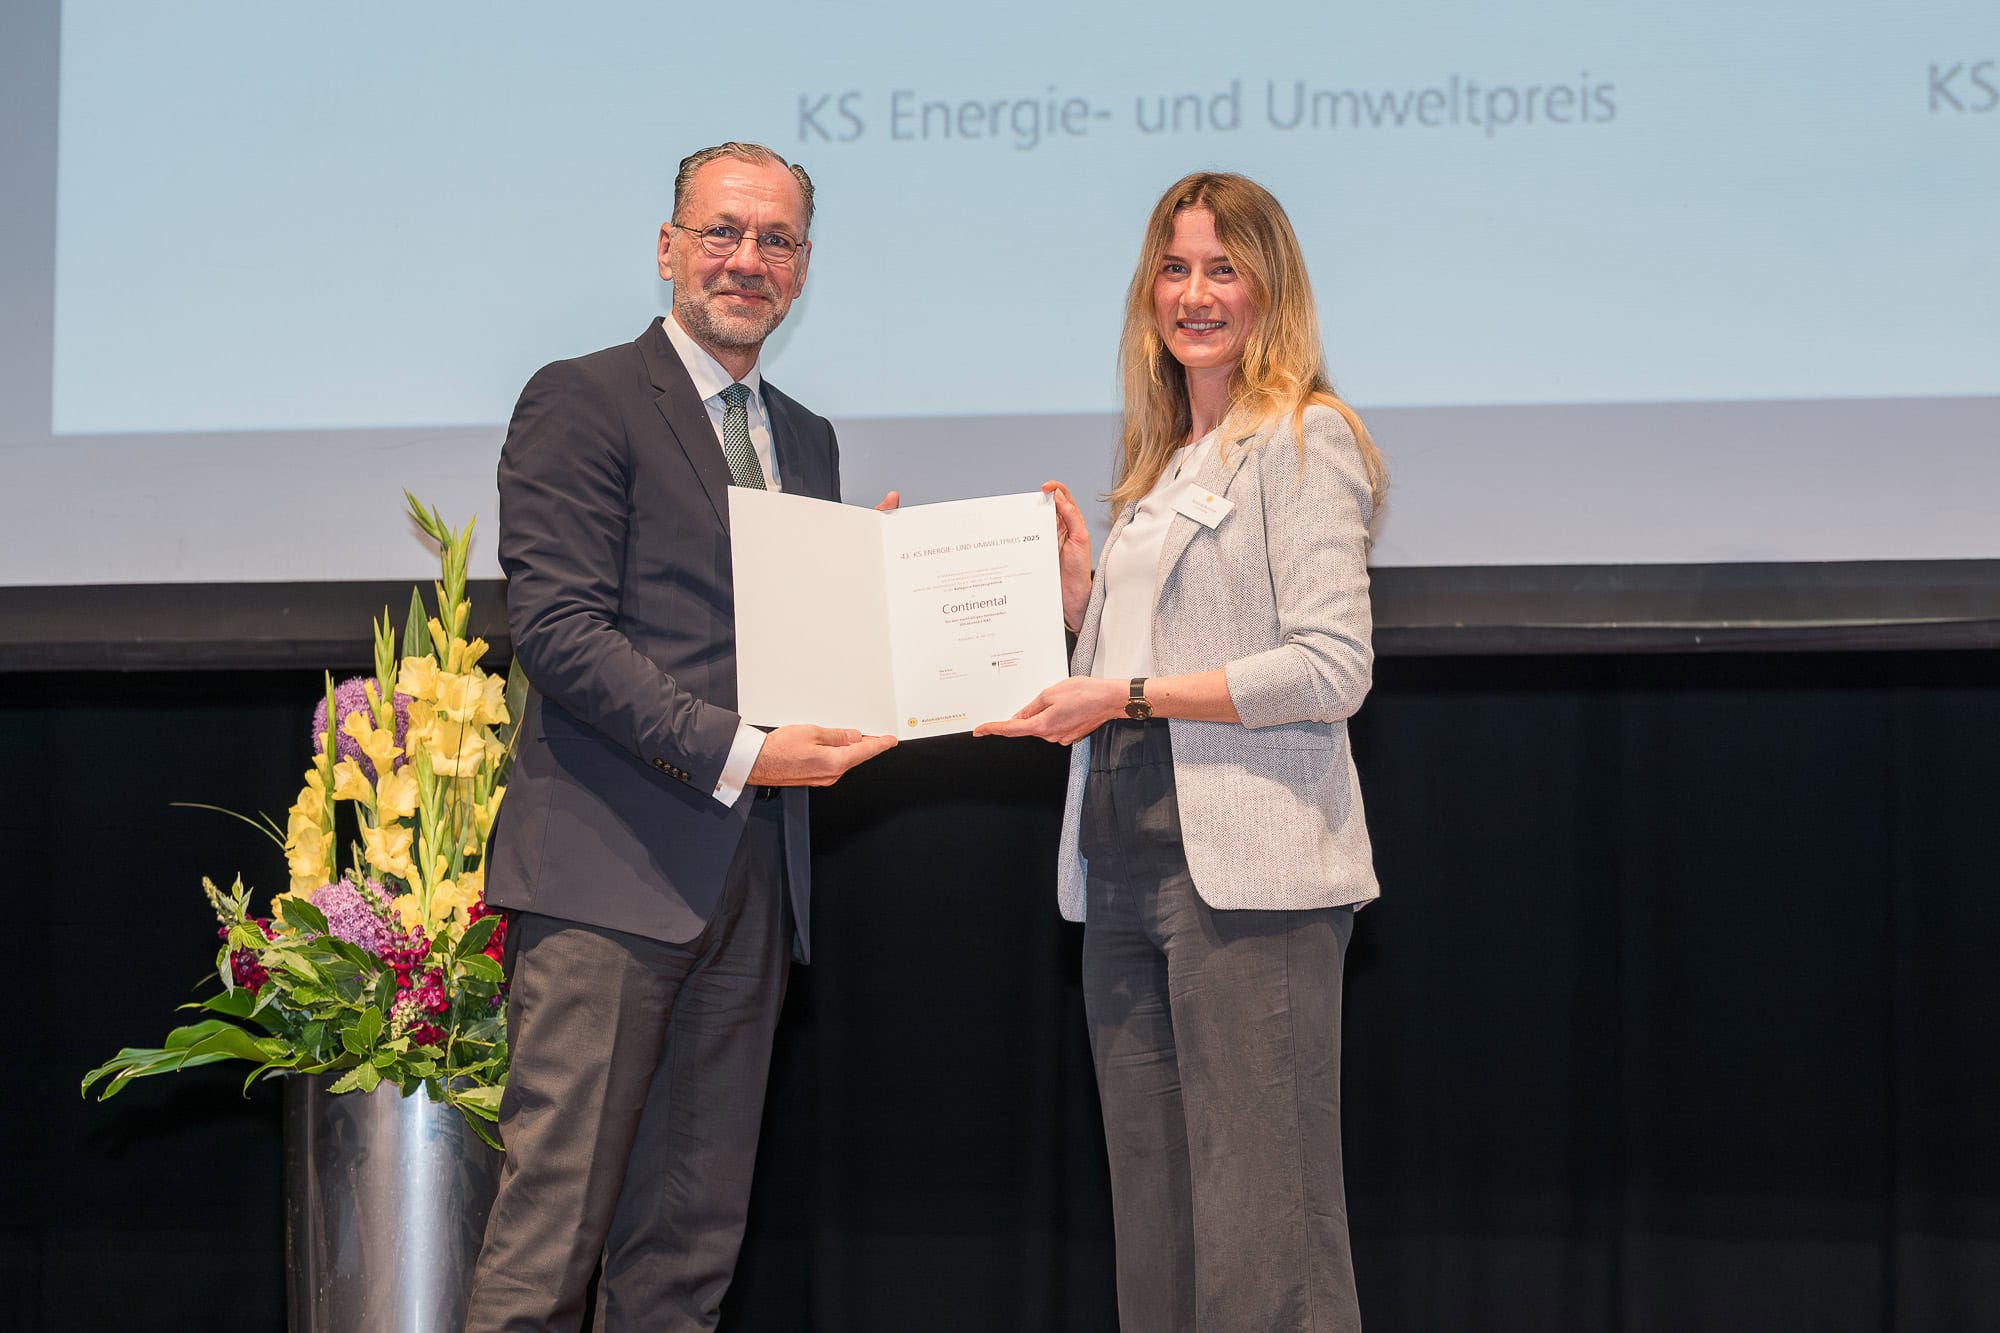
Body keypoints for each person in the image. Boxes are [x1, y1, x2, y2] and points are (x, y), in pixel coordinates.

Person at [465, 141, 897, 1332]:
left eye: (775, 240)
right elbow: (558, 631)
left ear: (802, 266)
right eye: (722, 231)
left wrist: (882, 605)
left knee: (685, 1254)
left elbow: (790, 643)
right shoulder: (583, 397)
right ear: (668, 247)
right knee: (546, 1247)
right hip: (608, 877)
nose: (746, 259)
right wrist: (742, 751)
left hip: (753, 880)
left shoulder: (804, 437)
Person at [977, 171, 1388, 1331]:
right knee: (1158, 1228)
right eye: (1172, 268)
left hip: (1247, 873)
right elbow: (1136, 664)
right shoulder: (1161, 462)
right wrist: (1080, 601)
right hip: (1121, 861)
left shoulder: (1302, 439)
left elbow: (1330, 666)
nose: (1193, 294)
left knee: (1266, 1231)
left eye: (1221, 269)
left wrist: (1128, 689)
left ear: (1270, 288)